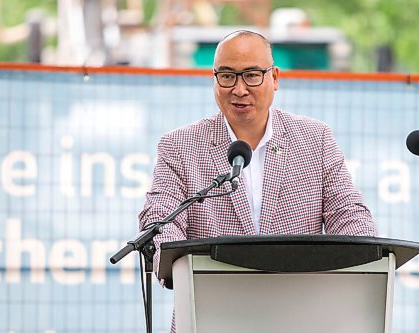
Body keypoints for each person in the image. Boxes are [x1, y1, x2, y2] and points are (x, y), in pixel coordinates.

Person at [139, 29, 377, 288]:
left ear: (274, 78)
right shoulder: (179, 146)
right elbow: (161, 218)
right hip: (209, 306)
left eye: (252, 76)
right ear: (215, 80)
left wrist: (366, 255)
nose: (239, 90)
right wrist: (176, 269)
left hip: (298, 306)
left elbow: (347, 213)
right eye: (228, 76)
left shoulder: (315, 139)